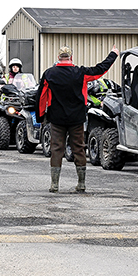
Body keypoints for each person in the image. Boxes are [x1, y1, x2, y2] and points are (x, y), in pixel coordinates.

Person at [36, 45, 119, 193]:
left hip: (57, 118)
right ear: (71, 58)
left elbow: (41, 96)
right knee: (79, 149)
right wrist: (113, 54)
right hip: (77, 118)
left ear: (58, 58)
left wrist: (41, 116)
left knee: (56, 149)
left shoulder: (49, 73)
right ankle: (81, 184)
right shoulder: (81, 73)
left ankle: (54, 185)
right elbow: (100, 69)